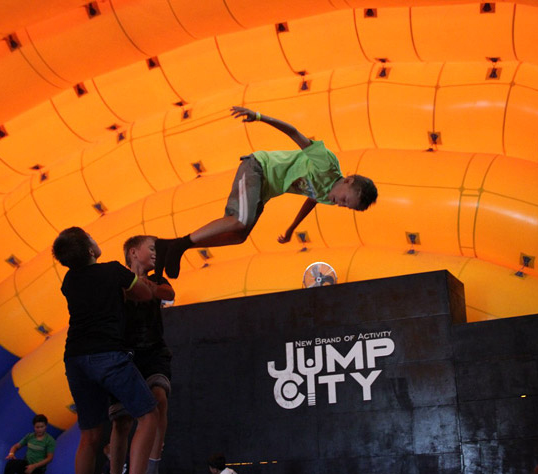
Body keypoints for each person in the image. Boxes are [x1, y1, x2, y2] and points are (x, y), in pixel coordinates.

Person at [155, 106, 378, 279]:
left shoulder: (329, 197)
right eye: (345, 199)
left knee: (238, 236)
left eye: (344, 206)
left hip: (264, 191)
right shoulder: (327, 164)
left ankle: (170, 246)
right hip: (258, 168)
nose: (339, 204)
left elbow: (312, 200)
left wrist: (291, 228)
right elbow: (293, 132)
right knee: (240, 220)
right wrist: (259, 117)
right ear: (348, 180)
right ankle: (180, 244)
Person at [52, 227, 159, 474]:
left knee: (90, 435)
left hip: (75, 358)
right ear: (91, 250)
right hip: (108, 354)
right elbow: (144, 294)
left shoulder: (69, 281)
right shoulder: (113, 270)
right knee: (148, 415)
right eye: (92, 237)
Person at [109, 235, 175, 474]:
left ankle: (152, 465)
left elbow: (169, 293)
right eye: (151, 248)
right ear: (133, 253)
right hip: (125, 355)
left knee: (160, 399)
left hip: (154, 351)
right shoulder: (118, 281)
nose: (156, 253)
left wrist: (151, 287)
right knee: (122, 421)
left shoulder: (157, 280)